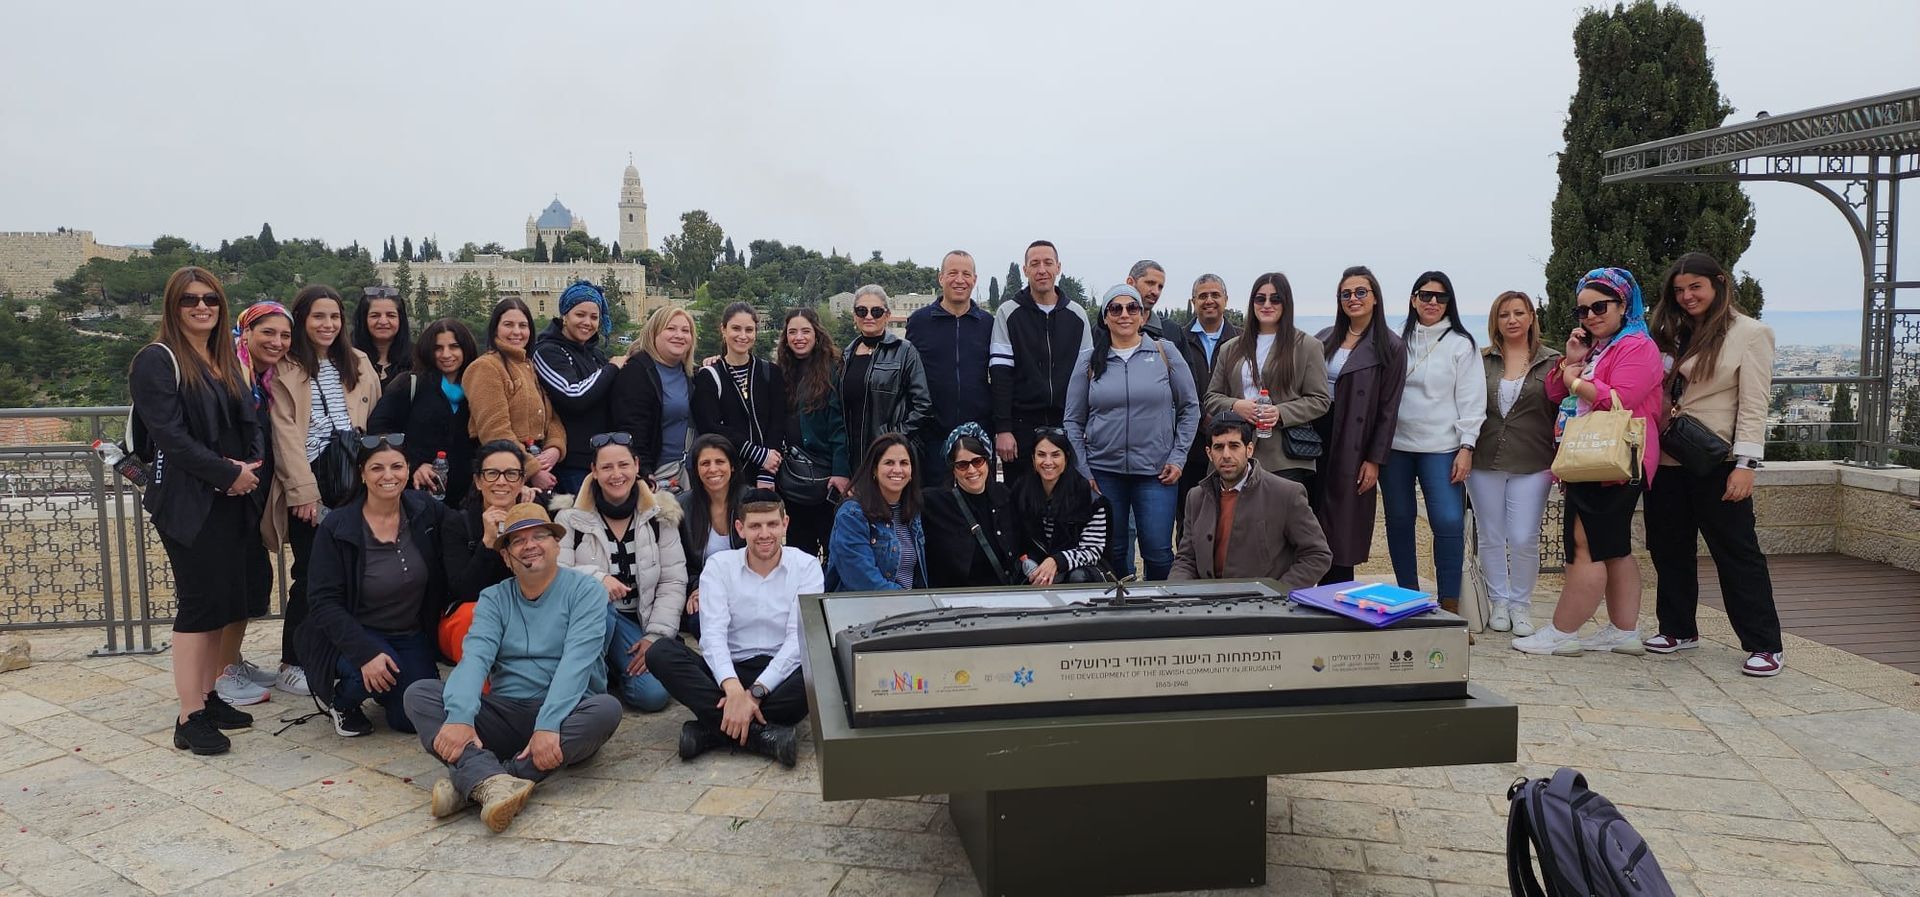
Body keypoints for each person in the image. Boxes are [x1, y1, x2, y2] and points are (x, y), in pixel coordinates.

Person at [404, 503, 621, 833]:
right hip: (506, 711)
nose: (529, 545)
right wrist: (461, 717)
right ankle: (492, 781)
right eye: (517, 541)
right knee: (420, 694)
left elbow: (577, 663)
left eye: (539, 536)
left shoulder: (586, 591)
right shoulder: (494, 598)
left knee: (606, 709)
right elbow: (475, 659)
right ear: (505, 557)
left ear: (556, 545)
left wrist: (548, 724)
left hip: (565, 715)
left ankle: (481, 780)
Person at [130, 267, 266, 755]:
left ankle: (208, 697)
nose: (202, 307)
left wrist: (249, 467)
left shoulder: (224, 357)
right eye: (190, 300)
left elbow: (251, 420)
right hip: (189, 502)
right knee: (200, 603)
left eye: (210, 298)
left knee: (224, 601)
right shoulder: (156, 360)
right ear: (174, 306)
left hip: (231, 497)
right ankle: (189, 716)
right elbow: (170, 436)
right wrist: (226, 473)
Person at [1645, 253, 1783, 676]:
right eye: (1679, 290)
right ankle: (1677, 628)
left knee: (1736, 552)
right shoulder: (1671, 332)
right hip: (1668, 456)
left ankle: (1764, 643)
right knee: (1668, 548)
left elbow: (1754, 404)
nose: (1687, 296)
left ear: (1719, 283)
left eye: (1695, 287)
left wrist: (1746, 464)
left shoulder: (1750, 333)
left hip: (1717, 457)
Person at [1514, 267, 1664, 657]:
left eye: (1600, 307)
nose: (1590, 316)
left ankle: (1563, 632)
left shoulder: (1637, 347)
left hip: (1613, 461)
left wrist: (1575, 381)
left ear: (1623, 304)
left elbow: (1621, 398)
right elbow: (1556, 393)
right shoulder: (1603, 347)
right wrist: (1573, 362)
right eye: (1582, 311)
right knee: (1613, 547)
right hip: (1598, 460)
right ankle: (1623, 631)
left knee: (1586, 546)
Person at [265, 285, 382, 699]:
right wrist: (302, 491)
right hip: (311, 477)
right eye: (318, 316)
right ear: (301, 320)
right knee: (312, 573)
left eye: (334, 317)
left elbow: (373, 419)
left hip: (353, 477)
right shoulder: (285, 366)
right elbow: (283, 434)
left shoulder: (357, 362)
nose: (327, 325)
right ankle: (292, 661)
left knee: (354, 570)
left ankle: (336, 654)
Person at [647, 489, 820, 767]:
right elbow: (712, 635)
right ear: (740, 528)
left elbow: (797, 641)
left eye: (772, 524)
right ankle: (763, 736)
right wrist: (734, 690)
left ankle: (711, 731)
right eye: (755, 526)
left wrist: (756, 693)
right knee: (661, 652)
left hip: (781, 677)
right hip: (730, 670)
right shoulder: (719, 566)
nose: (765, 534)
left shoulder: (807, 566)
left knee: (822, 669)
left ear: (785, 524)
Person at [297, 435, 449, 737]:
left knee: (411, 719)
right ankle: (343, 700)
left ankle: (385, 687)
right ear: (362, 474)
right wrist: (365, 652)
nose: (388, 475)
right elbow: (323, 601)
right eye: (377, 468)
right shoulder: (338, 526)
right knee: (370, 670)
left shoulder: (424, 509)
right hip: (353, 634)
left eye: (397, 466)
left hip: (408, 633)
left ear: (408, 470)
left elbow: (465, 527)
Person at [1064, 285, 1199, 581]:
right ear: (1105, 317)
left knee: (1158, 551)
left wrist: (1178, 457)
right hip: (1103, 472)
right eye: (1116, 308)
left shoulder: (1165, 353)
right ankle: (1119, 607)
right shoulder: (1089, 360)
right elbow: (1072, 420)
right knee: (1113, 551)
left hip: (1156, 471)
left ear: (1142, 316)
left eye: (1132, 308)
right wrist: (1083, 469)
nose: (1124, 314)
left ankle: (1160, 605)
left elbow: (1190, 408)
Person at [556, 433, 687, 711]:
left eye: (624, 465)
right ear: (594, 471)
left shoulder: (660, 516)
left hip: (641, 621)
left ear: (636, 466)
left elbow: (673, 581)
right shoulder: (570, 518)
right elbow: (557, 573)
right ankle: (589, 689)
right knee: (597, 604)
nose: (616, 475)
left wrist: (655, 636)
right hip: (593, 619)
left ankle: (610, 669)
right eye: (606, 467)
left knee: (652, 696)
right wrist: (597, 578)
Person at [1383, 271, 1484, 611]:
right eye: (1425, 295)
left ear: (1449, 302)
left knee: (1448, 521)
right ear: (1413, 299)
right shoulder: (1396, 339)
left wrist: (1467, 446)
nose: (1432, 302)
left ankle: (1449, 603)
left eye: (1440, 297)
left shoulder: (1461, 344)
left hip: (1441, 448)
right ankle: (1408, 600)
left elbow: (1472, 400)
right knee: (1399, 521)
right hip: (1396, 448)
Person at [214, 300, 294, 708]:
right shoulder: (228, 375)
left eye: (284, 335)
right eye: (268, 332)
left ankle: (232, 661)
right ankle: (220, 674)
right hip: (224, 498)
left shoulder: (260, 379)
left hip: (249, 497)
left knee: (248, 581)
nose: (277, 342)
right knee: (230, 585)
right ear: (245, 332)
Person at [1468, 291, 1561, 637]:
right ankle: (1499, 601)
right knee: (1490, 535)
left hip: (1534, 460)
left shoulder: (1552, 362)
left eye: (1519, 313)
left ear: (1531, 317)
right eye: (1504, 314)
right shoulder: (1480, 361)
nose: (1512, 320)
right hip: (1484, 459)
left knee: (1523, 537)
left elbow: (1563, 410)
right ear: (1495, 321)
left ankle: (1521, 603)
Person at [1314, 266, 1408, 584]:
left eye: (1360, 292)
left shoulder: (1391, 346)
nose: (1353, 298)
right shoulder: (1324, 337)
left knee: (1343, 524)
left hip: (1354, 440)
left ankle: (1335, 593)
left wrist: (1374, 459)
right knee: (1310, 515)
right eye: (1346, 294)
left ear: (1375, 297)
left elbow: (1388, 408)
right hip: (1314, 434)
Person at [1172, 418, 1331, 588]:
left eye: (1234, 446)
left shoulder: (1286, 493)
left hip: (1265, 601)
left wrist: (1278, 592)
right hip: (1208, 599)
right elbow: (1186, 559)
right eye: (1218, 447)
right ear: (1209, 453)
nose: (1226, 455)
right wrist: (1177, 594)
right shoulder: (1196, 497)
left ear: (1249, 449)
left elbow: (1317, 554)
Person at [1205, 273, 1329, 486]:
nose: (1267, 305)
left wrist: (1280, 412)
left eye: (1275, 299)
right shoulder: (1230, 348)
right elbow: (1211, 397)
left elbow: (1320, 400)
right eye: (1260, 299)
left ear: (1286, 302)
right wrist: (1236, 406)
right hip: (1233, 454)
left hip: (1283, 457)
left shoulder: (1308, 346)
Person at [990, 240, 1091, 483]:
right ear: (1025, 270)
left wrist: (1087, 425)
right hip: (1021, 427)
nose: (1041, 270)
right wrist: (1003, 429)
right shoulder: (1008, 312)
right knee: (1021, 498)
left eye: (1048, 263)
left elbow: (1087, 376)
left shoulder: (1077, 315)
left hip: (1067, 424)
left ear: (1058, 267)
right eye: (1034, 264)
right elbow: (1001, 375)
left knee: (1066, 497)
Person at [369, 318, 480, 508]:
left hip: (467, 499)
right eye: (438, 348)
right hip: (416, 495)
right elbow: (379, 429)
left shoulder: (479, 389)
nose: (446, 354)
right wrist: (412, 464)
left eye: (454, 347)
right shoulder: (410, 384)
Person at [439, 441, 534, 662]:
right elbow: (464, 591)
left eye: (511, 474)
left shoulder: (534, 518)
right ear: (478, 481)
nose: (501, 481)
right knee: (472, 614)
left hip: (520, 613)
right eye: (492, 473)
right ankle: (476, 682)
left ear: (522, 481)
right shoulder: (458, 523)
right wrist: (489, 542)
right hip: (468, 617)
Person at [905, 250, 993, 488]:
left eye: (966, 274)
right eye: (953, 273)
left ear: (975, 279)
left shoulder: (988, 324)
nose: (959, 280)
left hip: (978, 434)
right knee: (934, 502)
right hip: (931, 435)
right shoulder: (919, 322)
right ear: (940, 278)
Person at [534, 282, 626, 494]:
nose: (587, 322)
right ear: (565, 316)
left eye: (594, 317)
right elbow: (574, 395)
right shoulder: (548, 351)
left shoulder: (594, 354)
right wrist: (612, 368)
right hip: (571, 464)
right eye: (580, 315)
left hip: (601, 459)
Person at [466, 297, 566, 491]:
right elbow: (495, 431)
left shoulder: (529, 366)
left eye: (523, 325)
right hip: (504, 476)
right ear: (495, 329)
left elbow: (551, 417)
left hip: (539, 465)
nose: (517, 332)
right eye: (508, 325)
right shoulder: (486, 367)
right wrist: (532, 470)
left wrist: (555, 448)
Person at [776, 307, 852, 557]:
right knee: (798, 549)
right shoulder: (780, 371)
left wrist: (841, 471)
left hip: (826, 476)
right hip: (793, 477)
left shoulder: (833, 370)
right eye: (793, 332)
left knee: (833, 547)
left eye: (805, 331)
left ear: (817, 334)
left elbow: (840, 425)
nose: (799, 337)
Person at [692, 302, 789, 489]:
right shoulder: (709, 376)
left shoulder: (770, 372)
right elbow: (710, 427)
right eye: (736, 328)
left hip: (769, 474)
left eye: (749, 330)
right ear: (723, 329)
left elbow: (777, 423)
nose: (743, 336)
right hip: (727, 475)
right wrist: (758, 455)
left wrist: (767, 472)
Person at [840, 285, 935, 466]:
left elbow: (923, 407)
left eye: (876, 311)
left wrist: (893, 438)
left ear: (887, 315)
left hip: (890, 456)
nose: (869, 316)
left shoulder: (905, 351)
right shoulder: (846, 354)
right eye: (862, 311)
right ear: (854, 316)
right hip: (852, 456)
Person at [923, 424, 1024, 588]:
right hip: (956, 596)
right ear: (953, 469)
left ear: (987, 462)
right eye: (962, 465)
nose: (971, 470)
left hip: (1003, 593)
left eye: (977, 461)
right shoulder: (935, 502)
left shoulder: (1004, 496)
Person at [1011, 428, 1114, 584]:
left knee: (1078, 577)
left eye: (1055, 455)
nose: (1048, 462)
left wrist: (1057, 561)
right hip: (1034, 567)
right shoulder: (1020, 491)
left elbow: (1092, 551)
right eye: (1041, 455)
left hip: (1081, 571)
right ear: (1033, 458)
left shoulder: (1091, 500)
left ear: (1067, 458)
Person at [825, 433, 926, 590]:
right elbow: (862, 580)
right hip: (864, 604)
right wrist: (911, 600)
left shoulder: (913, 512)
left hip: (908, 603)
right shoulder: (852, 514)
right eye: (889, 463)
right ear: (874, 469)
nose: (897, 470)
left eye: (904, 463)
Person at [611, 305, 697, 490]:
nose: (679, 335)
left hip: (688, 472)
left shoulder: (689, 374)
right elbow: (631, 427)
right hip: (656, 474)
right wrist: (644, 471)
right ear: (654, 333)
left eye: (685, 331)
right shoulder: (636, 372)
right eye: (671, 328)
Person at [1177, 274, 1241, 511]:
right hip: (1190, 442)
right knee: (1190, 512)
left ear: (1226, 299)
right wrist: (1202, 416)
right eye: (1202, 296)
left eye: (1215, 295)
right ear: (1193, 301)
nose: (1209, 300)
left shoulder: (1243, 340)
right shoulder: (1178, 340)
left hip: (1233, 439)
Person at [678, 434, 747, 637]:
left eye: (720, 462)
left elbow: (763, 554)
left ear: (732, 466)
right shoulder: (682, 507)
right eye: (705, 463)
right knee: (700, 620)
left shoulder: (750, 501)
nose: (713, 469)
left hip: (746, 587)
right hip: (705, 589)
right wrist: (698, 587)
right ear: (696, 469)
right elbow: (680, 563)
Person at [351, 286, 413, 391]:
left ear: (401, 320)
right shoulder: (348, 358)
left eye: (391, 315)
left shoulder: (417, 361)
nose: (383, 321)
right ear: (363, 320)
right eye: (375, 315)